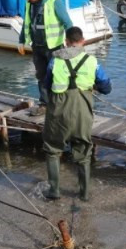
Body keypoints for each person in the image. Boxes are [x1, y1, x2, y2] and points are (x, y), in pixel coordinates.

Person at [42, 26, 112, 201]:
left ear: (66, 42)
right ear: (83, 41)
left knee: (52, 149)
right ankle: (84, 194)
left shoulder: (54, 61)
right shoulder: (92, 61)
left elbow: (46, 86)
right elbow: (107, 87)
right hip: (82, 110)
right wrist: (93, 86)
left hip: (58, 110)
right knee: (83, 151)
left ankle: (54, 191)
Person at [18, 0, 73, 116]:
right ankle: (44, 104)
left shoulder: (55, 1)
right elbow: (27, 22)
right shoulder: (29, 4)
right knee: (41, 76)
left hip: (54, 47)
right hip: (37, 46)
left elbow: (67, 22)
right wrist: (21, 40)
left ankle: (61, 104)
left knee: (57, 76)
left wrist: (71, 42)